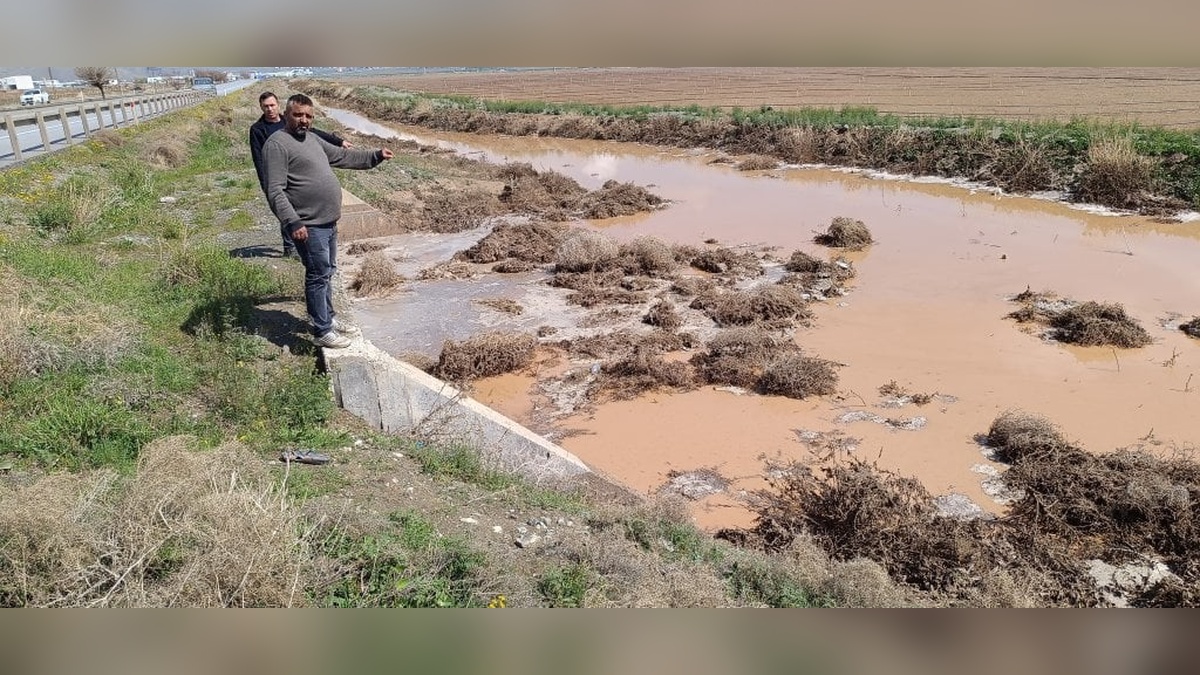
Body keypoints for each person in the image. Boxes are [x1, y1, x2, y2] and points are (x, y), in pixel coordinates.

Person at [264, 93, 394, 349]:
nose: (304, 120)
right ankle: (321, 331)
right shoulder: (277, 144)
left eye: (308, 116)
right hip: (308, 224)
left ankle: (328, 318)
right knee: (318, 274)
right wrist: (293, 222)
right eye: (298, 115)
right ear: (286, 114)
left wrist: (376, 155)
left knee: (327, 272)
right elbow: (275, 190)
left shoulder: (312, 139)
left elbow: (343, 157)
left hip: (327, 221)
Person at [250, 91, 352, 258]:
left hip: (297, 176)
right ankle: (290, 248)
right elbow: (259, 158)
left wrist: (339, 141)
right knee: (286, 212)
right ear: (261, 107)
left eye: (272, 105)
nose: (269, 109)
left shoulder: (290, 121)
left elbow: (315, 133)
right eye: (266, 106)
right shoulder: (258, 129)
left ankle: (300, 248)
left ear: (279, 106)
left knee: (297, 214)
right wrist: (266, 184)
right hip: (279, 177)